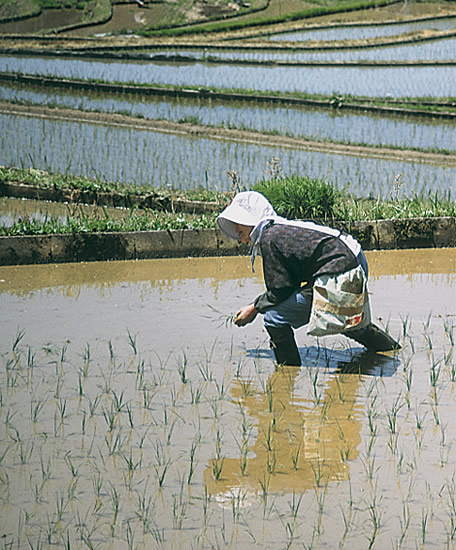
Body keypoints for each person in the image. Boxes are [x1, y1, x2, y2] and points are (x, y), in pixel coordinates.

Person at [217, 191, 400, 366]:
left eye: (238, 222)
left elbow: (280, 290)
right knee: (344, 317)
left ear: (252, 218)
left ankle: (287, 373)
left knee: (274, 317)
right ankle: (392, 351)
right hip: (353, 260)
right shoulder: (279, 227)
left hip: (340, 271)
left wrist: (254, 308)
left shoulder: (269, 238)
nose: (235, 227)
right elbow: (291, 281)